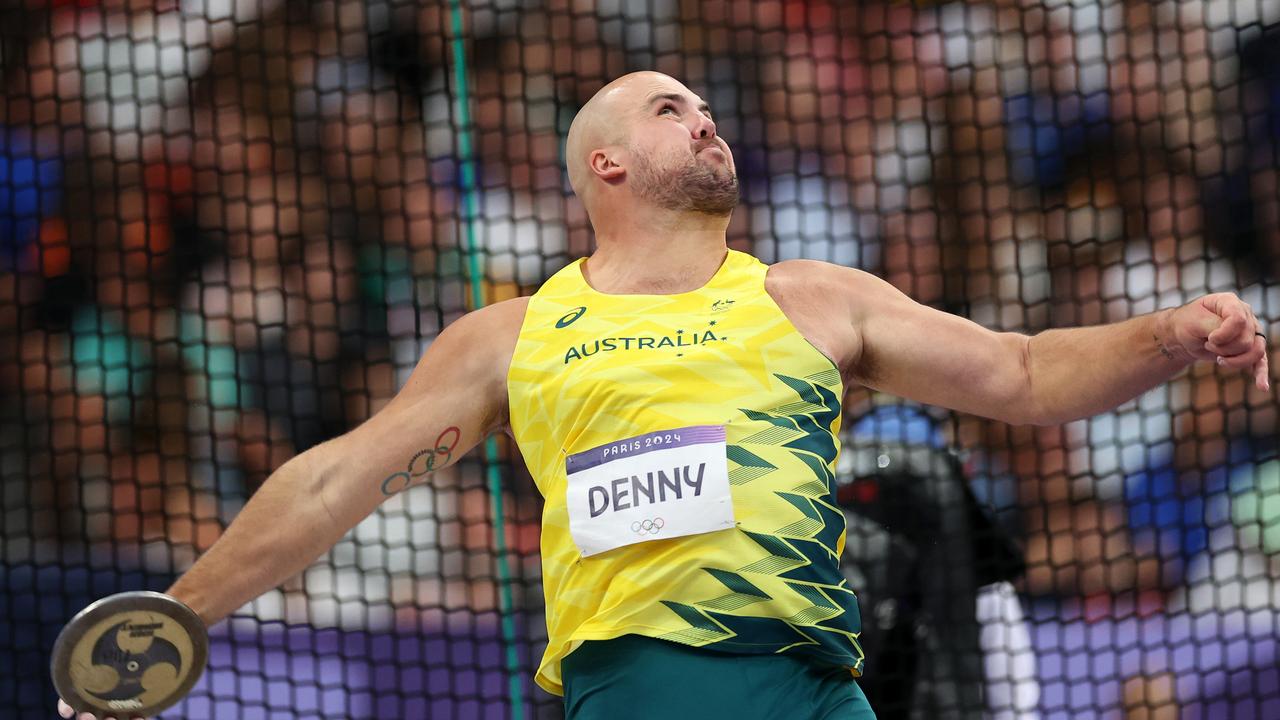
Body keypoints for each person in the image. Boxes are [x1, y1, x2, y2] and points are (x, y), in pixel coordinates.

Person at [59, 71, 1270, 720]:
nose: (704, 119)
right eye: (667, 107)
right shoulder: (517, 333)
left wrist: (1167, 333)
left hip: (821, 684)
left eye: (702, 105)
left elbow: (1017, 373)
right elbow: (338, 479)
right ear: (607, 163)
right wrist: (179, 617)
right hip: (654, 678)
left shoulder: (812, 298)